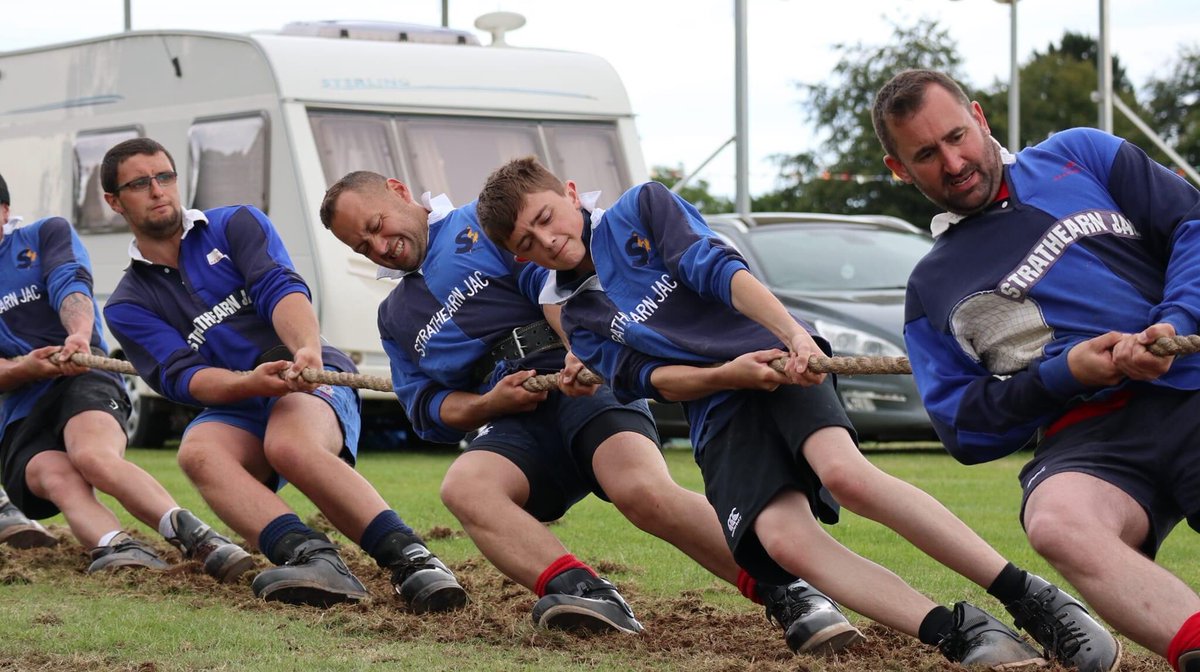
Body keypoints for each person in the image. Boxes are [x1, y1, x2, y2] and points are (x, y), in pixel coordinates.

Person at [476, 156, 1126, 671]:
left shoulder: (641, 207)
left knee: (845, 474)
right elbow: (653, 381)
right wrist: (726, 375)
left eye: (545, 217)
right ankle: (957, 632)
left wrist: (792, 336)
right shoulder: (577, 315)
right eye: (526, 241)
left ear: (567, 192)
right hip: (717, 406)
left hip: (777, 356)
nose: (546, 239)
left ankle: (1029, 597)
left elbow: (718, 268)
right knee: (786, 542)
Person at [319, 170, 862, 654]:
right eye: (361, 245)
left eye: (377, 225)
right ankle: (586, 594)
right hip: (512, 420)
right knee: (464, 486)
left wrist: (578, 351)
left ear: (397, 191)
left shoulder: (483, 224)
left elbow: (553, 285)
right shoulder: (394, 317)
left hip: (585, 381)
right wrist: (489, 403)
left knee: (641, 491)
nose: (379, 246)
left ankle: (789, 592)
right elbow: (426, 409)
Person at [873, 67, 1200, 672]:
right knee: (1055, 520)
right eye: (925, 154)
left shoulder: (1083, 154)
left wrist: (1174, 323)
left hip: (1191, 384)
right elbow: (960, 428)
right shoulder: (931, 289)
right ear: (899, 169)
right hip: (1091, 438)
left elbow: (1193, 224)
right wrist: (1065, 375)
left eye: (956, 136)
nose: (953, 163)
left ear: (979, 117)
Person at [98, 139, 466, 612]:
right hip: (240, 398)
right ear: (114, 201)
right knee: (198, 452)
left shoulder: (235, 223)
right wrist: (251, 382)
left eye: (165, 177)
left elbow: (279, 287)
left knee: (289, 444)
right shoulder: (127, 303)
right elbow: (182, 379)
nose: (158, 190)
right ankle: (314, 560)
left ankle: (413, 561)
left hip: (310, 372)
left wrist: (306, 349)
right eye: (139, 183)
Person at [0, 170, 250, 577]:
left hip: (81, 371)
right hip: (19, 407)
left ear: (5, 210)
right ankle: (117, 546)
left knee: (92, 457)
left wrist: (79, 336)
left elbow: (71, 285)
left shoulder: (45, 234)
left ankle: (198, 536)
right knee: (56, 476)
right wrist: (23, 368)